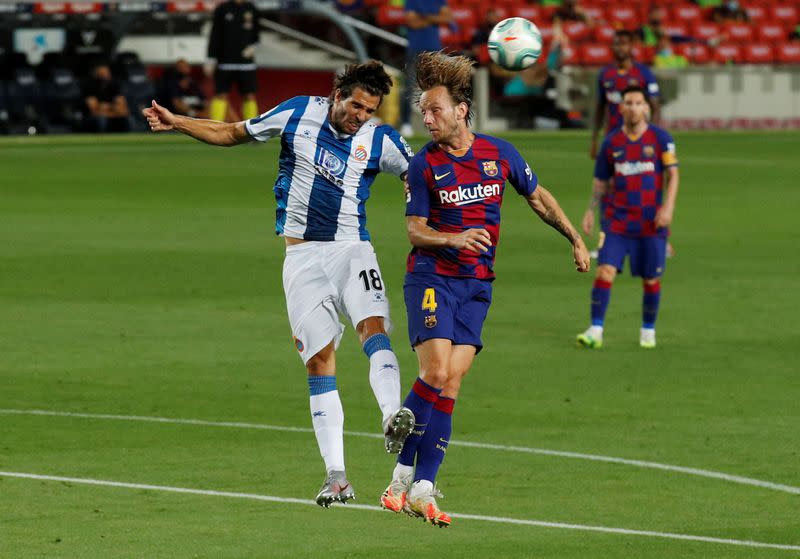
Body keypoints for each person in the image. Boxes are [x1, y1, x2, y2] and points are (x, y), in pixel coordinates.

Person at [142, 60, 417, 508]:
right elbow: (232, 132)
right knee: (318, 361)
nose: (360, 116)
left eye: (369, 110)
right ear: (337, 94)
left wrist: (412, 191)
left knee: (374, 327)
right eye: (356, 106)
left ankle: (392, 418)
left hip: (353, 249)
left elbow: (418, 171)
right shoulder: (295, 114)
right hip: (302, 256)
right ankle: (337, 476)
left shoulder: (380, 138)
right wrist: (178, 123)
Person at [379, 51, 591, 527]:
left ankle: (417, 486)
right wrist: (452, 237)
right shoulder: (424, 165)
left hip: (477, 287)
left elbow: (537, 197)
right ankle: (397, 439)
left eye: (435, 110)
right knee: (434, 373)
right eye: (424, 111)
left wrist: (575, 238)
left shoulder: (500, 154)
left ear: (462, 110)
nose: (427, 119)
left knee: (450, 383)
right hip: (432, 279)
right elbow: (414, 230)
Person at [577, 85, 679, 350]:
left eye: (638, 103)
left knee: (651, 278)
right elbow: (601, 181)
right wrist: (590, 210)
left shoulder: (661, 139)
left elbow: (673, 175)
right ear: (621, 108)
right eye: (629, 103)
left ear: (646, 107)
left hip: (650, 222)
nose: (633, 108)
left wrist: (668, 208)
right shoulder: (611, 143)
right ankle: (596, 330)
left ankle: (647, 332)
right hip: (617, 221)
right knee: (605, 270)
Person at [590, 30, 661, 160]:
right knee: (609, 177)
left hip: (639, 136)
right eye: (616, 44)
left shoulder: (644, 73)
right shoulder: (605, 74)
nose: (620, 48)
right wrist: (594, 140)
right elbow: (600, 107)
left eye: (623, 44)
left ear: (631, 46)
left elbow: (655, 107)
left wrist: (653, 135)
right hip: (612, 135)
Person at [400, 0, 452, 137]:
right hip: (416, 50)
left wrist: (424, 17)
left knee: (437, 89)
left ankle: (438, 122)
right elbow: (413, 23)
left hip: (435, 51)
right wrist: (435, 18)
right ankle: (405, 123)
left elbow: (446, 17)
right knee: (409, 87)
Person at [206, 0, 262, 123]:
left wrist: (254, 47)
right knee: (221, 95)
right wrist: (210, 58)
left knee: (249, 96)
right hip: (225, 62)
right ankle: (215, 128)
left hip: (246, 64)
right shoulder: (222, 8)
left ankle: (252, 129)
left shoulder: (251, 8)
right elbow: (215, 34)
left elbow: (257, 33)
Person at [83, 63, 131, 133]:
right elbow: (94, 110)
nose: (105, 75)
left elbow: (122, 108)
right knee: (102, 119)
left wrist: (106, 108)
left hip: (112, 113)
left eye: (106, 73)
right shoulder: (90, 86)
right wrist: (112, 108)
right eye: (102, 73)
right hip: (94, 116)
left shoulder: (115, 85)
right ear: (96, 74)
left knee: (129, 118)